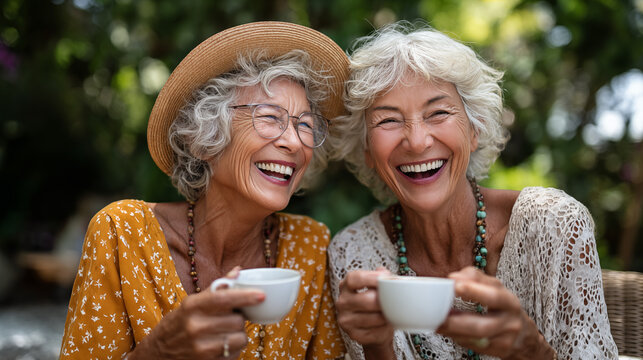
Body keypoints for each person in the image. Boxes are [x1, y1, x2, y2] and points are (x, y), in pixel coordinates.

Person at [327, 21, 618, 360]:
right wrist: (377, 345)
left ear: (474, 130)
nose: (418, 142)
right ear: (366, 151)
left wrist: (529, 349)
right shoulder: (353, 254)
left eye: (438, 113)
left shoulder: (554, 225)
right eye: (388, 120)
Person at [60, 21, 348, 360]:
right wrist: (159, 351)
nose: (293, 142)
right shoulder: (123, 233)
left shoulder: (309, 247)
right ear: (203, 139)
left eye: (305, 125)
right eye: (270, 117)